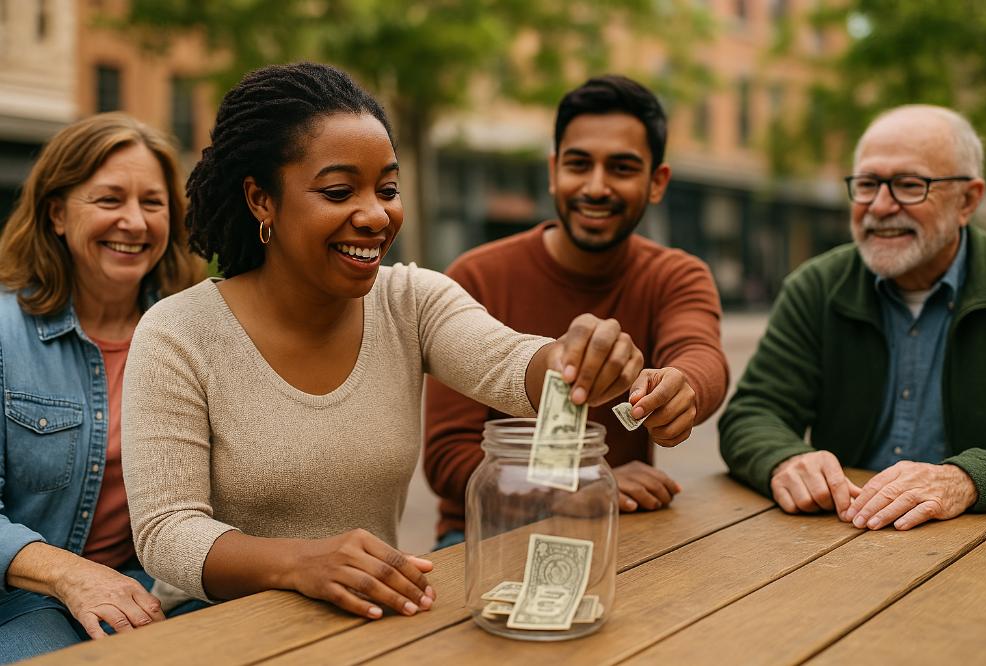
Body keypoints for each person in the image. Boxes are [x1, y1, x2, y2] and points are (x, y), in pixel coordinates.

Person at [120, 63, 643, 622]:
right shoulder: (177, 332)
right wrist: (299, 563)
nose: (375, 215)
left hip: (368, 620)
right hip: (213, 626)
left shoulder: (411, 301)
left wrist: (576, 356)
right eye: (340, 191)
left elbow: (512, 365)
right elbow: (166, 532)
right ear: (261, 200)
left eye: (388, 189)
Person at [423, 75, 729, 549]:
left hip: (616, 531)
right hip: (486, 533)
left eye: (623, 168)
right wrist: (584, 486)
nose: (596, 186)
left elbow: (699, 352)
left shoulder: (676, 275)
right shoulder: (476, 276)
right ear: (553, 171)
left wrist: (684, 388)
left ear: (657, 183)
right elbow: (447, 458)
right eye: (578, 164)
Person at [720, 104, 986, 531]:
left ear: (967, 200)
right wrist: (786, 459)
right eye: (867, 184)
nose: (880, 206)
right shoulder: (817, 285)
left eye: (909, 185)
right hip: (842, 542)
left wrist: (967, 479)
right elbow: (753, 413)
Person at [0, 113, 204, 662]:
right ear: (58, 214)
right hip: (22, 599)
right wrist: (73, 575)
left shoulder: (194, 334)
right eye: (110, 200)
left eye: (153, 203)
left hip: (158, 589)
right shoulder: (3, 334)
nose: (134, 222)